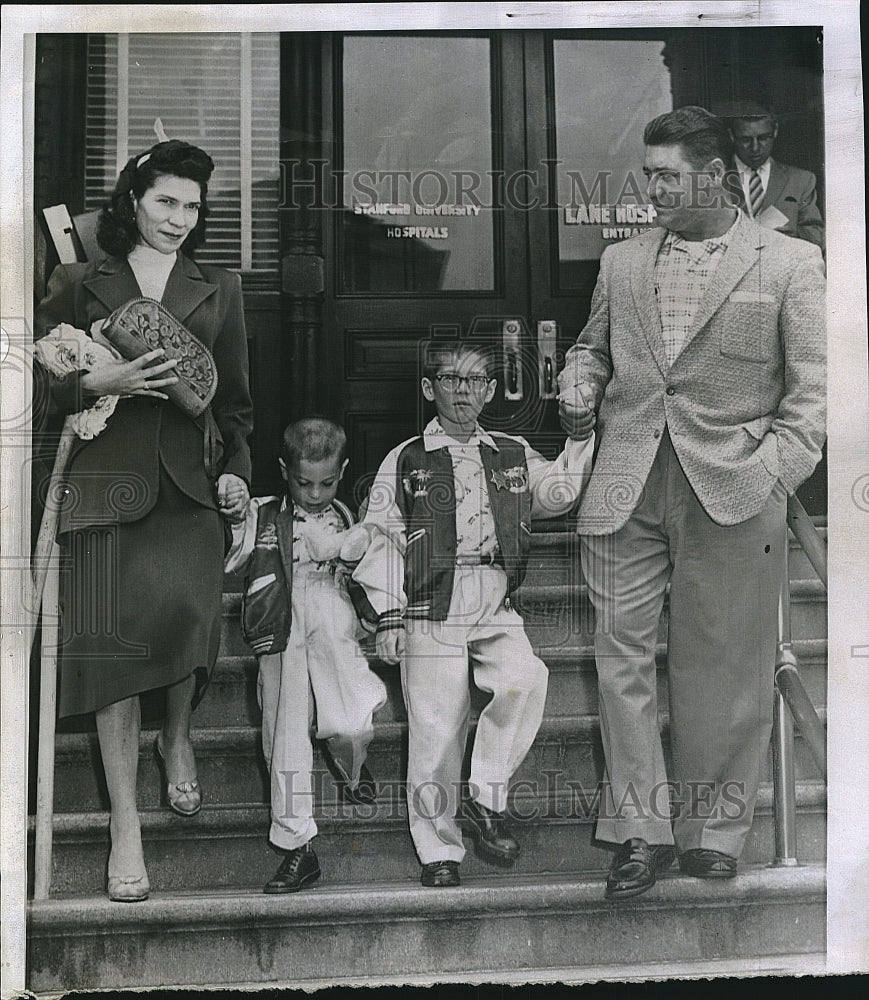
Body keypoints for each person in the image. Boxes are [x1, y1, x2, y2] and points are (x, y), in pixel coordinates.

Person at [558, 106, 826, 900]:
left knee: (727, 667)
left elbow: (815, 387)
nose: (650, 191)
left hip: (736, 482)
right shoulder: (620, 262)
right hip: (623, 481)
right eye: (649, 175)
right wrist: (577, 384)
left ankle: (713, 832)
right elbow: (590, 349)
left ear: (712, 176)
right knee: (621, 661)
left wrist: (776, 469)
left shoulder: (787, 262)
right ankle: (639, 834)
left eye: (663, 176)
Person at [34, 139, 253, 902]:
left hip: (188, 487)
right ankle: (126, 827)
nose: (178, 220)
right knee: (111, 659)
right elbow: (28, 384)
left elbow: (236, 411)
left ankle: (181, 735)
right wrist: (101, 378)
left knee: (191, 620)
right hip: (102, 484)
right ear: (133, 202)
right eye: (165, 201)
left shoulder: (219, 286)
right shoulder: (75, 279)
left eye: (191, 207)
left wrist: (234, 473)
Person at [353, 341, 594, 887]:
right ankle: (438, 847)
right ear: (429, 388)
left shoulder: (510, 451)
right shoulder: (407, 457)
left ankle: (486, 794)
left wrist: (580, 442)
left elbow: (554, 494)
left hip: (492, 591)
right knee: (437, 724)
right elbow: (382, 535)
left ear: (490, 391)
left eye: (476, 381)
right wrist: (388, 614)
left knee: (525, 678)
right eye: (451, 380)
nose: (463, 392)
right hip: (430, 595)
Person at [224, 416, 387, 894]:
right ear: (283, 470)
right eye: (303, 483)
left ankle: (350, 761)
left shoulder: (350, 518)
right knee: (284, 736)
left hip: (334, 621)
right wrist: (238, 519)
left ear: (343, 471)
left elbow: (372, 570)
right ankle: (299, 846)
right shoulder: (265, 513)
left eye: (326, 482)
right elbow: (234, 556)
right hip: (282, 626)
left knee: (351, 719)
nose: (314, 493)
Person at [723, 101, 825, 251]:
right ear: (732, 136)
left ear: (775, 131)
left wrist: (776, 238)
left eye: (764, 138)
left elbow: (815, 239)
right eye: (745, 140)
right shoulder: (716, 180)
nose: (755, 148)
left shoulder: (801, 180)